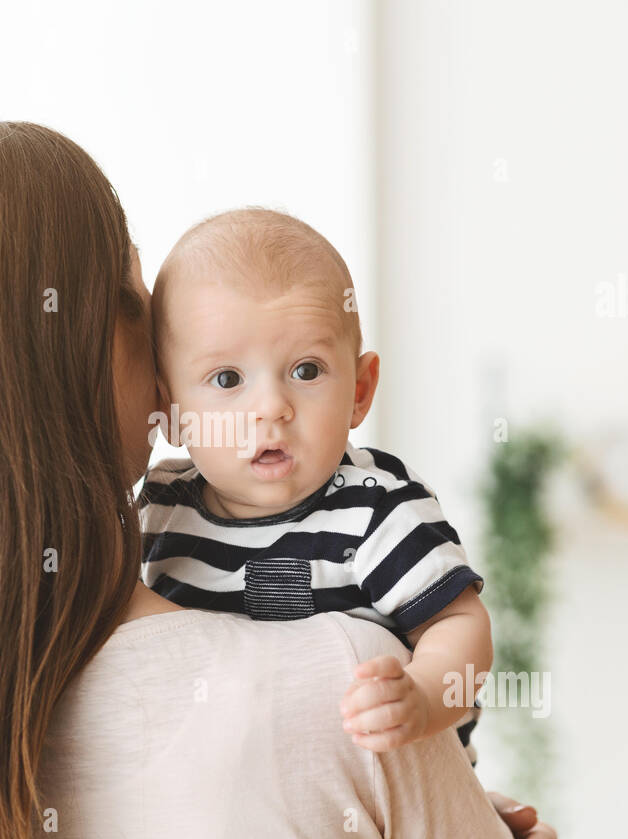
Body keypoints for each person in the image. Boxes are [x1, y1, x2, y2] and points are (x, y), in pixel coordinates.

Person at [0, 119, 560, 839]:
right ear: (62, 359)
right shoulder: (345, 687)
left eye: (304, 369)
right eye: (133, 301)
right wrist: (431, 812)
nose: (263, 407)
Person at [140, 207, 487, 765]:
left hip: (387, 783)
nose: (272, 407)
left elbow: (459, 623)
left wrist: (423, 694)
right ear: (170, 409)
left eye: (306, 371)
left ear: (360, 389)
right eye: (227, 379)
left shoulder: (376, 504)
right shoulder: (159, 511)